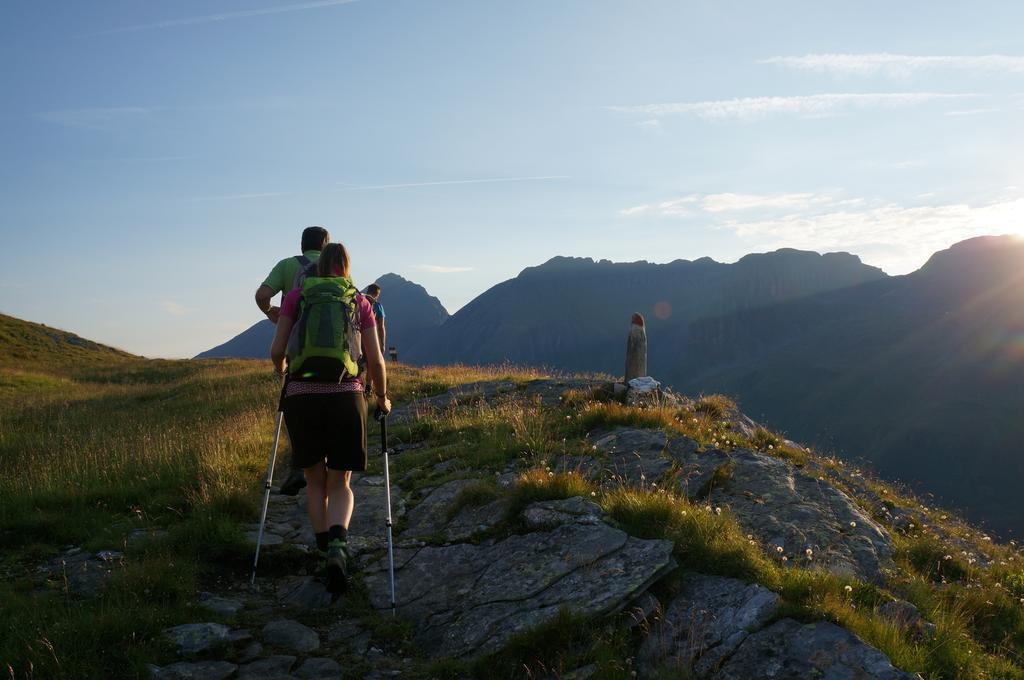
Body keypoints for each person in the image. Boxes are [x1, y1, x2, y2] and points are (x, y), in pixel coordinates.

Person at [270, 243, 391, 594]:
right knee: (341, 483)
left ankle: (323, 549)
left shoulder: (296, 297)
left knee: (315, 481)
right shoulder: (359, 301)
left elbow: (277, 350)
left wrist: (283, 371)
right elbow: (377, 360)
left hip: (301, 398)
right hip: (345, 396)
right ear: (347, 267)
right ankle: (339, 546)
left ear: (318, 266)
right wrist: (381, 397)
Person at [255, 226, 329, 495]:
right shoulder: (336, 265)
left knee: (296, 404)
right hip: (334, 350)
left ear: (301, 244)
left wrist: (270, 313)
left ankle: (300, 465)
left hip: (296, 348)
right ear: (325, 244)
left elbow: (262, 296)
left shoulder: (287, 265)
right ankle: (324, 461)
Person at [363, 283, 387, 396]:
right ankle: (368, 388)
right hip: (370, 338)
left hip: (356, 339)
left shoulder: (358, 301)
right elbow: (381, 327)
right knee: (371, 363)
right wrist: (382, 344)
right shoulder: (377, 306)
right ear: (377, 294)